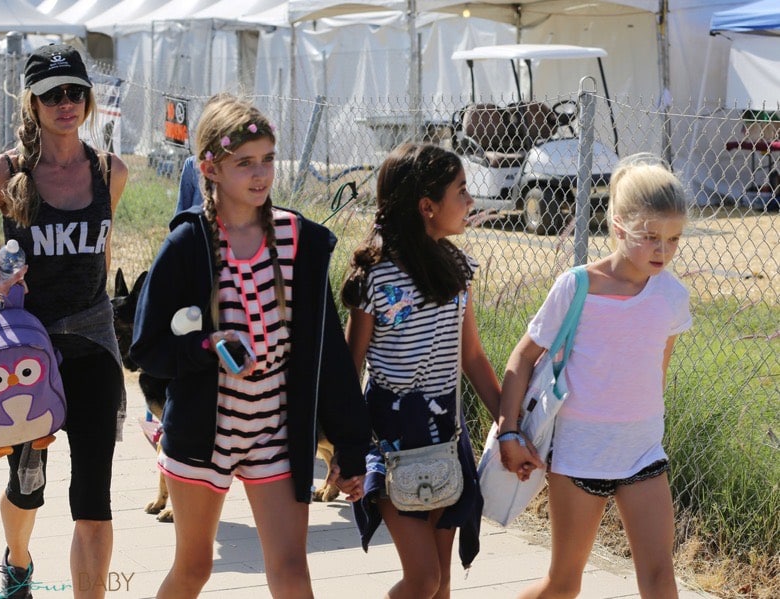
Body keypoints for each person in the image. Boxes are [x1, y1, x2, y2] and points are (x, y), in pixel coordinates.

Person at [129, 93, 372, 599]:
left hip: (275, 432)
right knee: (194, 570)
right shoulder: (187, 245)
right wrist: (204, 347)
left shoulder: (299, 241)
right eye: (245, 163)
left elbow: (327, 354)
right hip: (202, 431)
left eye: (267, 160)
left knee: (290, 570)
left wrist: (351, 446)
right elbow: (146, 350)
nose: (260, 175)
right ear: (210, 169)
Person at [0, 43, 128, 599]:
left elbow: (100, 253)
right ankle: (18, 564)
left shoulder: (110, 171)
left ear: (88, 99)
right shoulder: (3, 172)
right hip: (28, 358)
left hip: (95, 351)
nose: (65, 103)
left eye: (75, 91)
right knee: (28, 488)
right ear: (33, 102)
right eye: (52, 95)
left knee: (94, 498)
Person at [498, 153, 692, 599]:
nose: (662, 251)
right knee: (564, 583)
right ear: (619, 226)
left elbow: (655, 373)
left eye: (674, 239)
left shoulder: (672, 296)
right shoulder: (576, 286)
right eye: (650, 237)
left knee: (661, 579)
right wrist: (509, 431)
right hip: (578, 455)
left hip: (642, 452)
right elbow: (523, 356)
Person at [341, 142, 502, 597]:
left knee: (442, 581)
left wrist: (506, 423)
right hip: (390, 440)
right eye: (462, 190)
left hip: (445, 437)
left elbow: (471, 357)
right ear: (427, 207)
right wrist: (344, 450)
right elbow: (351, 368)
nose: (471, 201)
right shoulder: (374, 276)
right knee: (423, 579)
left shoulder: (459, 270)